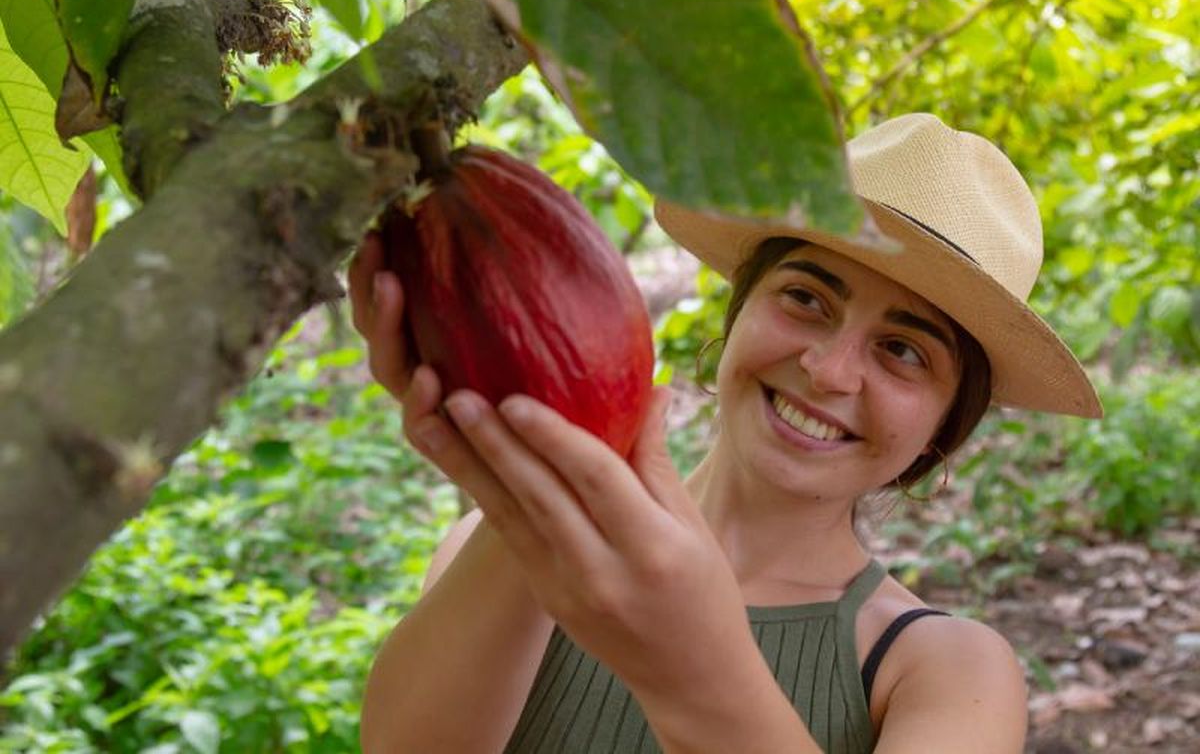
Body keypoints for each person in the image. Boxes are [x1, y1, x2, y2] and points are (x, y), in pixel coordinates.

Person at [351, 113, 1102, 753]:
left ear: (942, 433)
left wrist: (690, 663)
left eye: (903, 351)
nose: (829, 368)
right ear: (734, 316)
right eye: (806, 297)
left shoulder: (947, 670)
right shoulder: (499, 540)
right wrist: (531, 462)